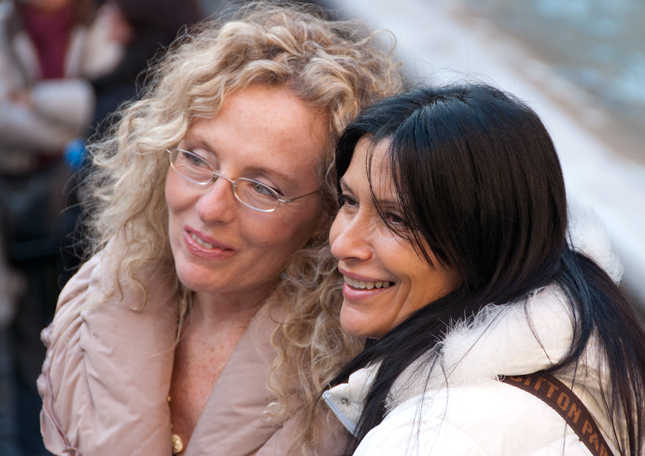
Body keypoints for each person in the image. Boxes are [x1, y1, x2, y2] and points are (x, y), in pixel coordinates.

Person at [37, 3, 402, 455]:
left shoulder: (360, 390)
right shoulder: (92, 300)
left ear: (330, 214)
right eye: (196, 159)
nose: (211, 208)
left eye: (264, 188)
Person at [323, 84, 645, 455]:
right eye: (349, 201)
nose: (342, 244)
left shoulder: (429, 438)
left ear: (483, 243)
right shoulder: (598, 364)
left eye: (395, 218)